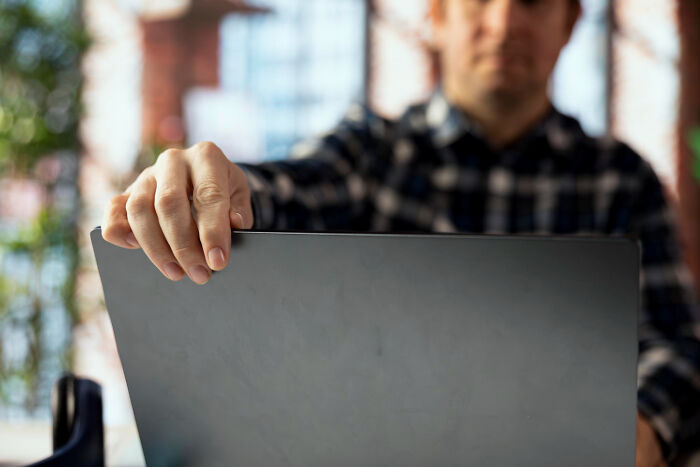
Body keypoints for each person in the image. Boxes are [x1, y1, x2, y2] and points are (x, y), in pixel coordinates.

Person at [101, 0, 700, 465]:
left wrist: (642, 427)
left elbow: (677, 343)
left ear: (568, 24)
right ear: (436, 18)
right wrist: (219, 187)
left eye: (534, 2)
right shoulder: (371, 154)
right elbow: (289, 193)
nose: (505, 22)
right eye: (478, 2)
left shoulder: (622, 181)